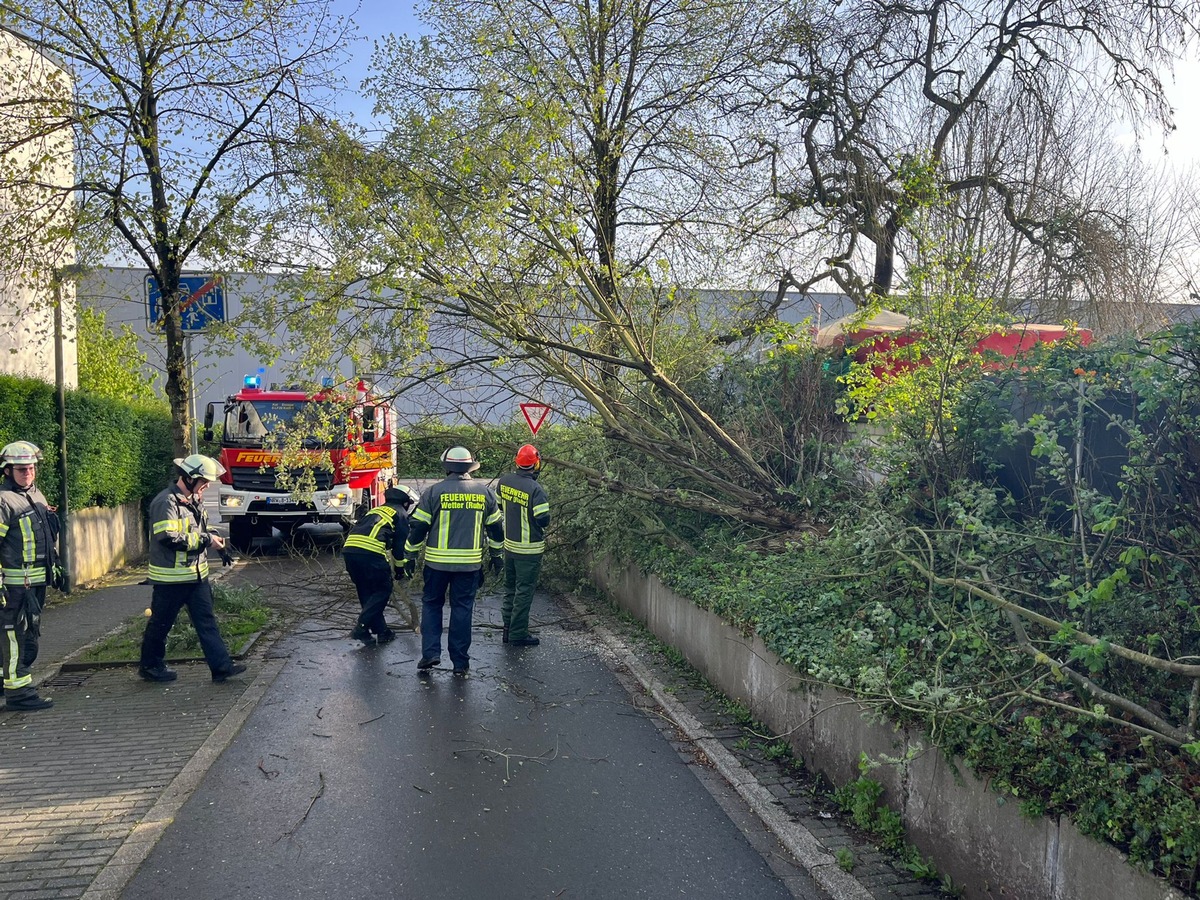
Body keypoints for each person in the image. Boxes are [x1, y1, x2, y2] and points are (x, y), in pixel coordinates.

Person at [139, 454, 246, 684]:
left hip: (196, 576)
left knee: (206, 621)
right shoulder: (165, 502)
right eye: (204, 482)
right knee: (161, 624)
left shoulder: (193, 500)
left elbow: (201, 530)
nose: (207, 486)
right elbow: (168, 538)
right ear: (189, 478)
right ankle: (150, 666)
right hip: (171, 579)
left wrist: (216, 543)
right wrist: (206, 540)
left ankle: (221, 668)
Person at [401, 447, 504, 675]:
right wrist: (497, 557)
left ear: (446, 467)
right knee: (462, 609)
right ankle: (460, 662)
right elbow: (496, 529)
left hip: (436, 565)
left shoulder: (433, 493)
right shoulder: (484, 493)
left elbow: (418, 528)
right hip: (469, 566)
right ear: (470, 468)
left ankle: (430, 654)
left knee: (432, 605)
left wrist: (409, 555)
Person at [0, 441, 60, 711]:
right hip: (15, 586)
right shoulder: (3, 501)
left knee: (27, 636)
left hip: (36, 583)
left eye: (31, 468)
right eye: (22, 469)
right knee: (18, 639)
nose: (28, 473)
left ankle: (7, 684)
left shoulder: (37, 496)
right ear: (7, 471)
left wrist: (55, 568)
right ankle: (20, 695)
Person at [343, 484, 420, 644]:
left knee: (366, 592)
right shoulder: (401, 515)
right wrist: (400, 569)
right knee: (383, 590)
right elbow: (399, 547)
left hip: (349, 551)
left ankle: (381, 631)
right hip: (371, 554)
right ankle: (361, 627)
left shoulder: (376, 510)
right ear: (406, 502)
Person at [497, 444, 551, 647]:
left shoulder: (504, 482)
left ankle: (507, 629)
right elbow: (543, 518)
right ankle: (518, 634)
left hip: (509, 547)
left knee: (510, 588)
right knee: (524, 591)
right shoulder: (536, 489)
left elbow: (500, 506)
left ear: (517, 462)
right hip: (529, 550)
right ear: (536, 464)